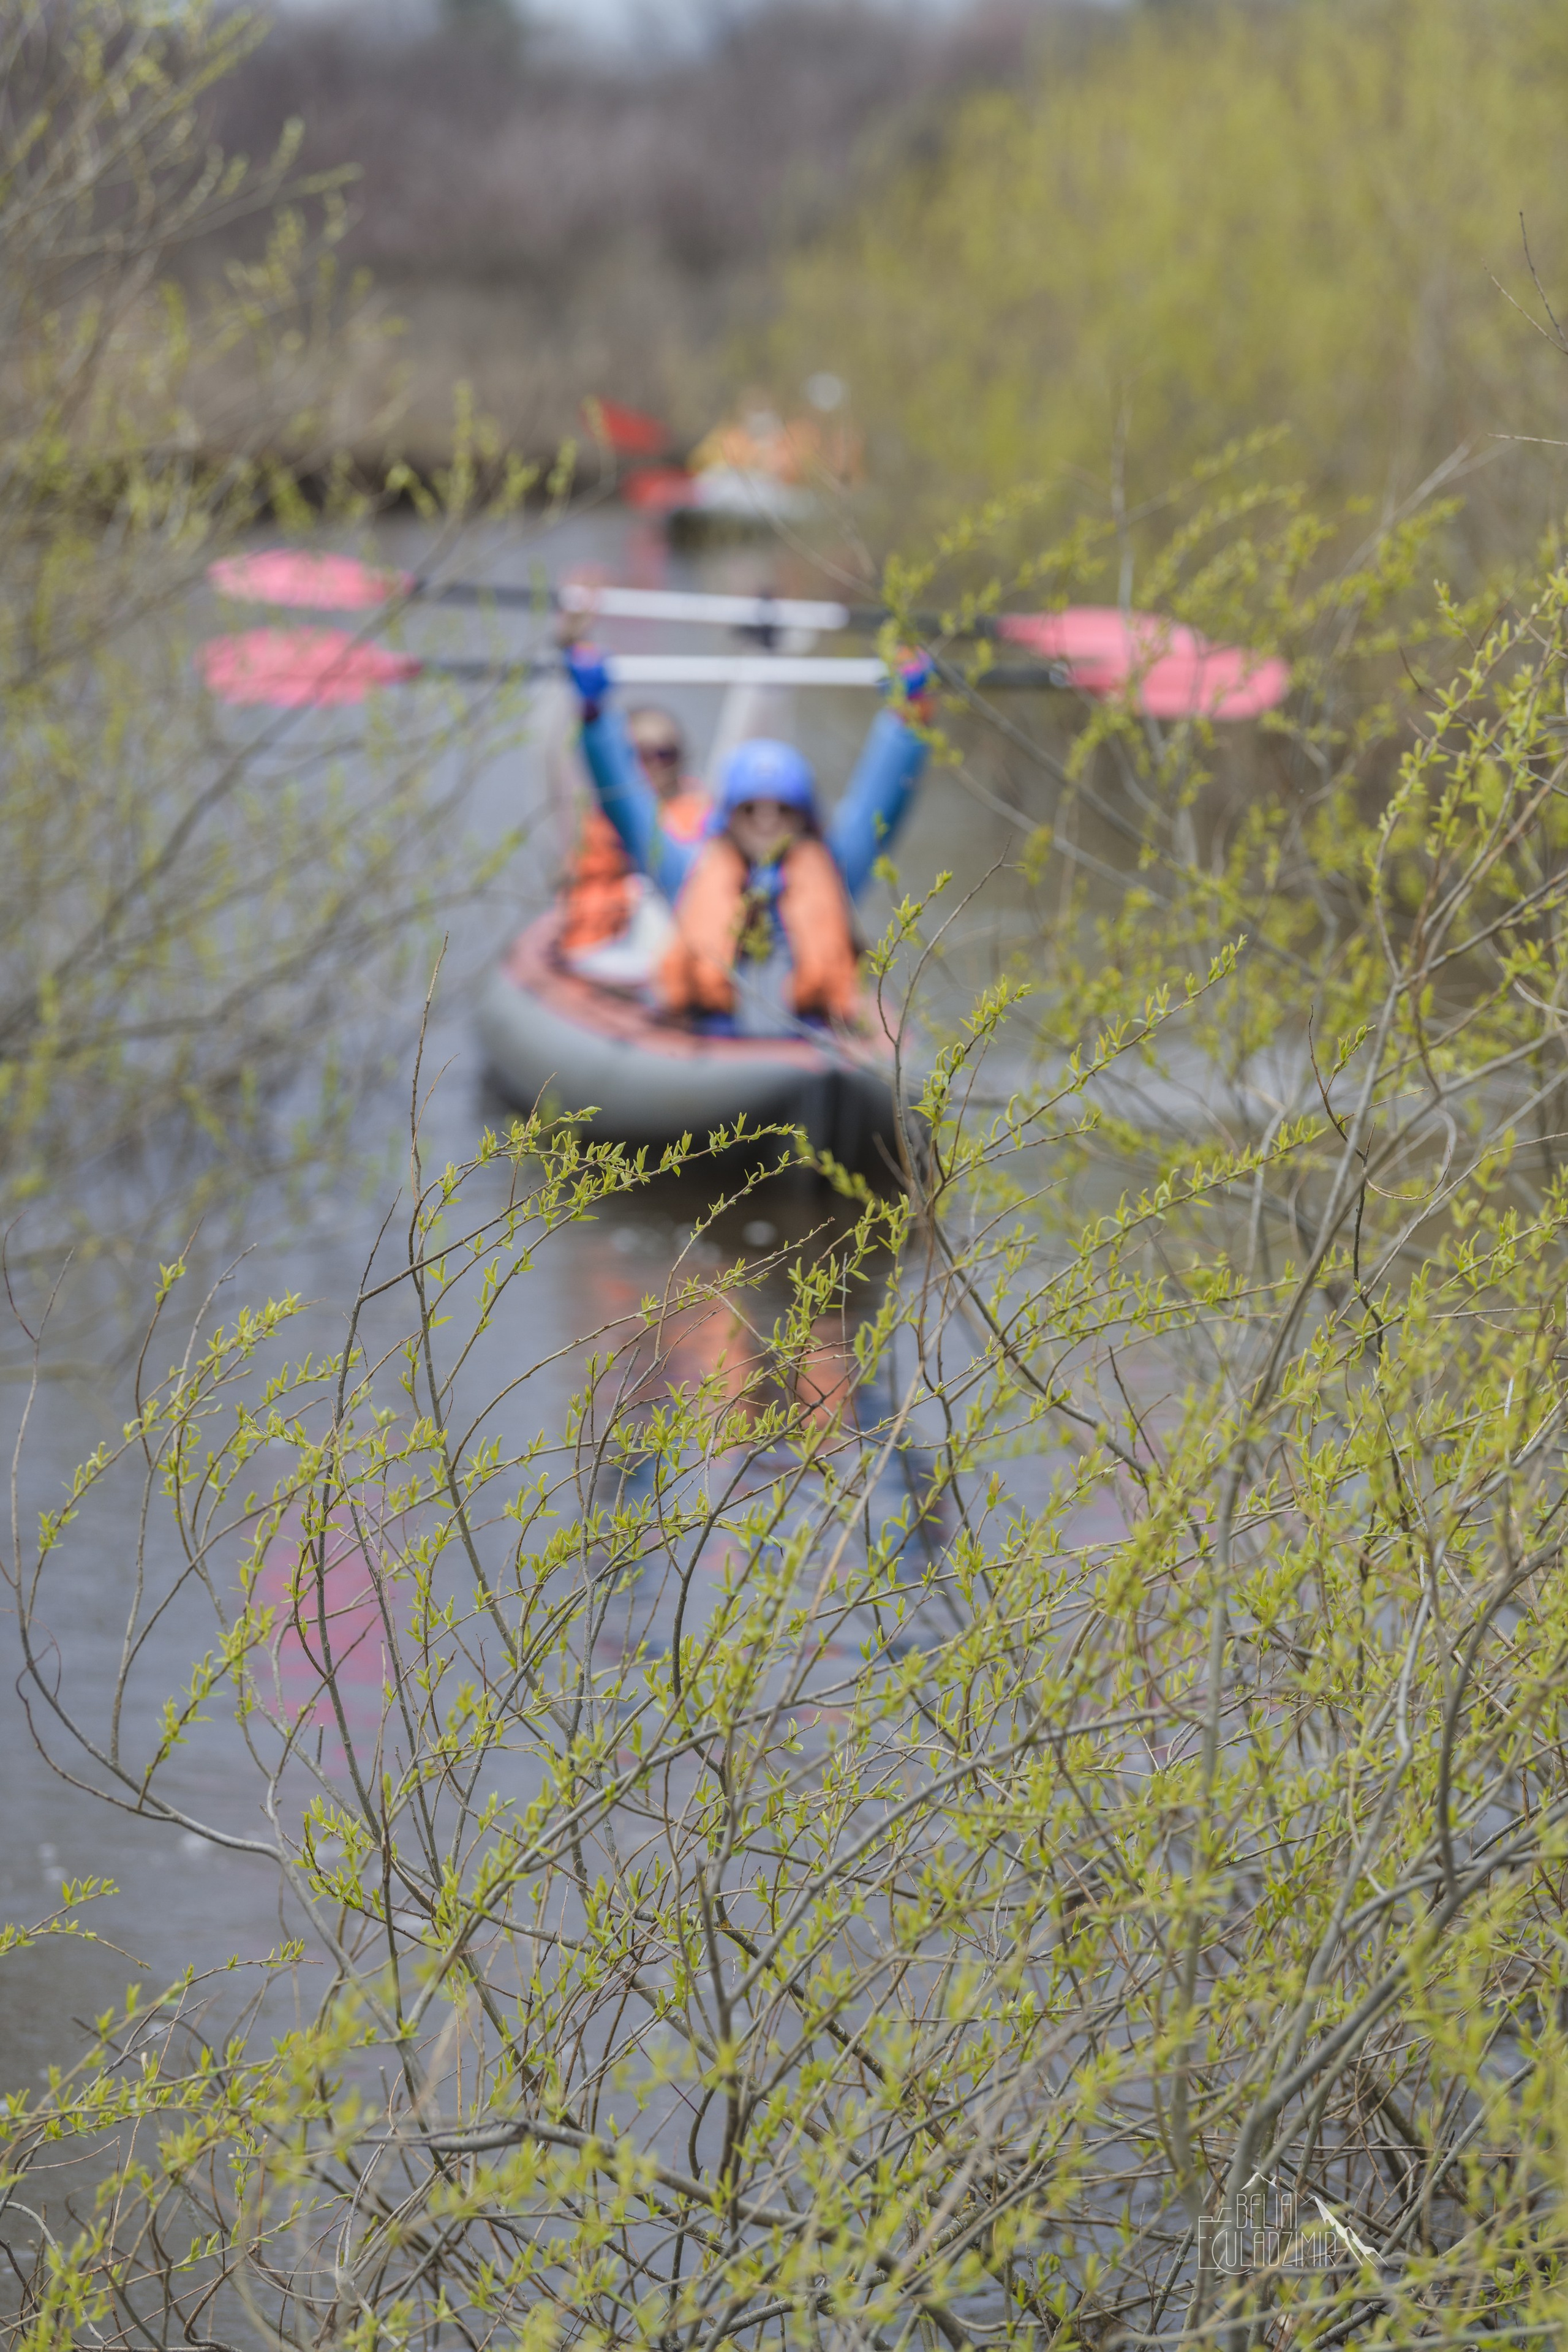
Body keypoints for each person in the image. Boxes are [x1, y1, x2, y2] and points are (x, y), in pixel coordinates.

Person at [564, 644, 933, 1038]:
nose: (767, 820)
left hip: (807, 1043)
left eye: (782, 808)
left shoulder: (834, 867)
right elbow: (629, 810)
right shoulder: (688, 869)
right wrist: (595, 716)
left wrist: (908, 717)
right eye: (751, 809)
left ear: (803, 816)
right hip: (712, 1041)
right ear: (728, 817)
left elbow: (881, 800)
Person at [557, 704, 709, 970]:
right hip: (600, 950)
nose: (654, 764)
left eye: (665, 754)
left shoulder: (704, 822)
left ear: (681, 759)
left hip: (674, 954)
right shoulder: (598, 823)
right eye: (640, 754)